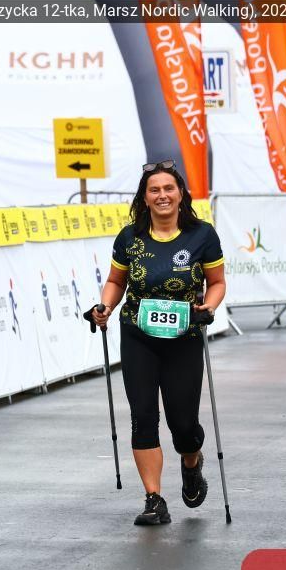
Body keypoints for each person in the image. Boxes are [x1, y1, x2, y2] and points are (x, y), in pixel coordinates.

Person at [90, 160, 226, 526]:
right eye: (154, 190)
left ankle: (191, 462)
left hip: (184, 336)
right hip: (138, 335)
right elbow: (116, 282)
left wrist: (209, 307)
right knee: (143, 416)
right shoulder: (129, 237)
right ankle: (154, 498)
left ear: (181, 194)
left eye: (168, 188)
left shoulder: (202, 235)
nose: (162, 195)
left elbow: (216, 282)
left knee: (183, 425)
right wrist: (105, 306)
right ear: (145, 197)